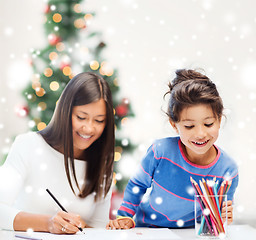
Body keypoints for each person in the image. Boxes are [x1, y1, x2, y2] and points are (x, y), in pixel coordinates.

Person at [107, 69, 239, 229]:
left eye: (208, 124)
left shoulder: (228, 170)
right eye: (189, 126)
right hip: (149, 229)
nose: (200, 134)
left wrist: (224, 217)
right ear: (173, 125)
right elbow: (138, 184)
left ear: (219, 119)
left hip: (191, 235)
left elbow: (216, 220)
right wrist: (125, 216)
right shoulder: (160, 152)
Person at [0, 72, 115, 234]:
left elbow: (98, 231)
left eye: (99, 120)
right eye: (81, 117)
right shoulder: (28, 145)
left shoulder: (103, 167)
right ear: (65, 111)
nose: (89, 128)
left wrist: (80, 225)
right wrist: (47, 223)